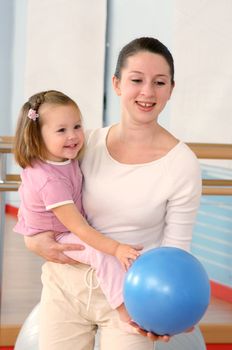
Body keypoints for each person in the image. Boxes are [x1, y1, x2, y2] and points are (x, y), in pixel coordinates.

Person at [23, 37, 202, 350]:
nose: (147, 92)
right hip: (66, 286)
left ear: (171, 89)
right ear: (117, 84)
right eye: (136, 80)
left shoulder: (182, 163)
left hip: (132, 294)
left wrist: (167, 307)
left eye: (159, 82)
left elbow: (176, 251)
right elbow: (40, 193)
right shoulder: (83, 143)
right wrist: (31, 239)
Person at [14, 90, 141, 322]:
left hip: (63, 227)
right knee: (101, 253)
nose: (73, 136)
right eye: (61, 130)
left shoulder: (62, 158)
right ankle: (123, 307)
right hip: (58, 234)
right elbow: (80, 228)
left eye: (77, 126)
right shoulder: (50, 180)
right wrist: (116, 249)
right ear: (37, 136)